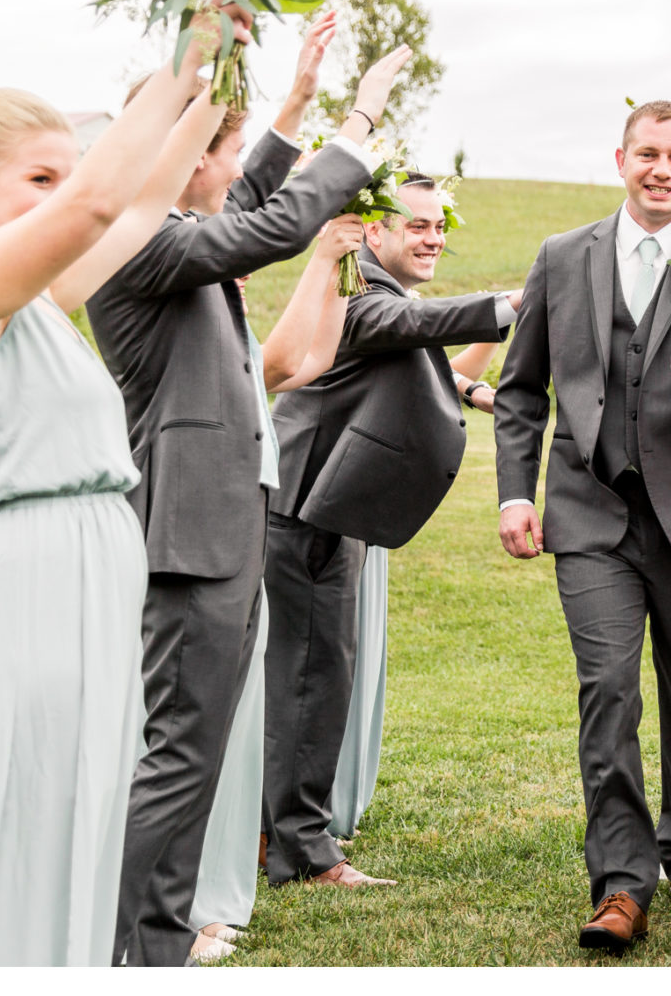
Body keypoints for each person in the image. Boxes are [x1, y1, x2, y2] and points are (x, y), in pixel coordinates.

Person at [87, 42, 413, 967]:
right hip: (191, 529)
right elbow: (266, 228)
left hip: (223, 518)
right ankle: (138, 945)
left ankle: (164, 922)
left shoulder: (173, 224)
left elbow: (246, 195)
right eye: (225, 153)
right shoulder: (143, 240)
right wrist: (358, 122)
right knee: (182, 748)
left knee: (198, 745)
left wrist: (299, 99)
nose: (239, 172)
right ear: (190, 157)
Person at [0, 9, 244, 965]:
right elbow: (92, 205)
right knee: (25, 803)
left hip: (84, 579)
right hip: (20, 582)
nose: (60, 195)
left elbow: (133, 207)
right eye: (35, 177)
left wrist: (213, 86)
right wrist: (185, 51)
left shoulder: (36, 299)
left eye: (59, 174)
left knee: (79, 799)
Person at [493, 101, 671, 954]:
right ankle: (621, 882)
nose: (662, 168)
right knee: (607, 692)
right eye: (647, 153)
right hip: (588, 513)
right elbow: (521, 388)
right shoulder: (560, 256)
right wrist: (514, 493)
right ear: (621, 159)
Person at [263, 174, 521, 889]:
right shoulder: (357, 289)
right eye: (418, 225)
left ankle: (277, 831)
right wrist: (511, 304)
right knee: (310, 676)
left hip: (326, 506)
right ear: (373, 231)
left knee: (313, 671)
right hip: (303, 505)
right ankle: (301, 852)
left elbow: (421, 349)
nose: (434, 237)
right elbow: (404, 328)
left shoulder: (380, 288)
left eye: (441, 227)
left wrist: (472, 386)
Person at [187, 210, 367, 962]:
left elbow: (302, 360)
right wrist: (320, 254)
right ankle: (173, 904)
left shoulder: (220, 324)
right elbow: (286, 359)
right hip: (200, 525)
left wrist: (329, 270)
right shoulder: (180, 329)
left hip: (239, 518)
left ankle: (192, 889)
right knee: (191, 723)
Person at [329, 339, 503, 845]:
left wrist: (478, 374)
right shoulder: (362, 297)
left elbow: (433, 373)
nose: (435, 251)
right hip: (339, 486)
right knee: (333, 658)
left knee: (357, 656)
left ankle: (329, 802)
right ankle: (303, 811)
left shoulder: (399, 302)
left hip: (367, 498)